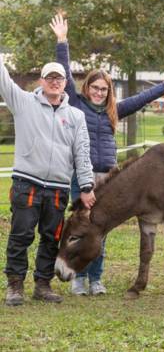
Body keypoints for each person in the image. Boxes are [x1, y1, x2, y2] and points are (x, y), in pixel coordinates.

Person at [49, 14, 164, 296]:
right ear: (87, 88)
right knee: (80, 226)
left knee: (100, 229)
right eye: (95, 87)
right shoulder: (75, 105)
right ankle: (77, 280)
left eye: (104, 89)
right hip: (81, 176)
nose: (99, 92)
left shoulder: (113, 111)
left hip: (107, 176)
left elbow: (138, 101)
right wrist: (62, 42)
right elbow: (64, 73)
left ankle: (95, 278)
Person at [1, 52, 95, 306]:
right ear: (41, 81)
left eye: (59, 78)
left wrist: (86, 186)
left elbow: (82, 153)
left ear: (65, 82)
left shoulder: (76, 117)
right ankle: (15, 284)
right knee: (21, 235)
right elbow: (4, 80)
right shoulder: (23, 103)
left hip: (57, 188)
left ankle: (42, 284)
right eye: (50, 78)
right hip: (26, 184)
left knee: (52, 237)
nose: (55, 82)